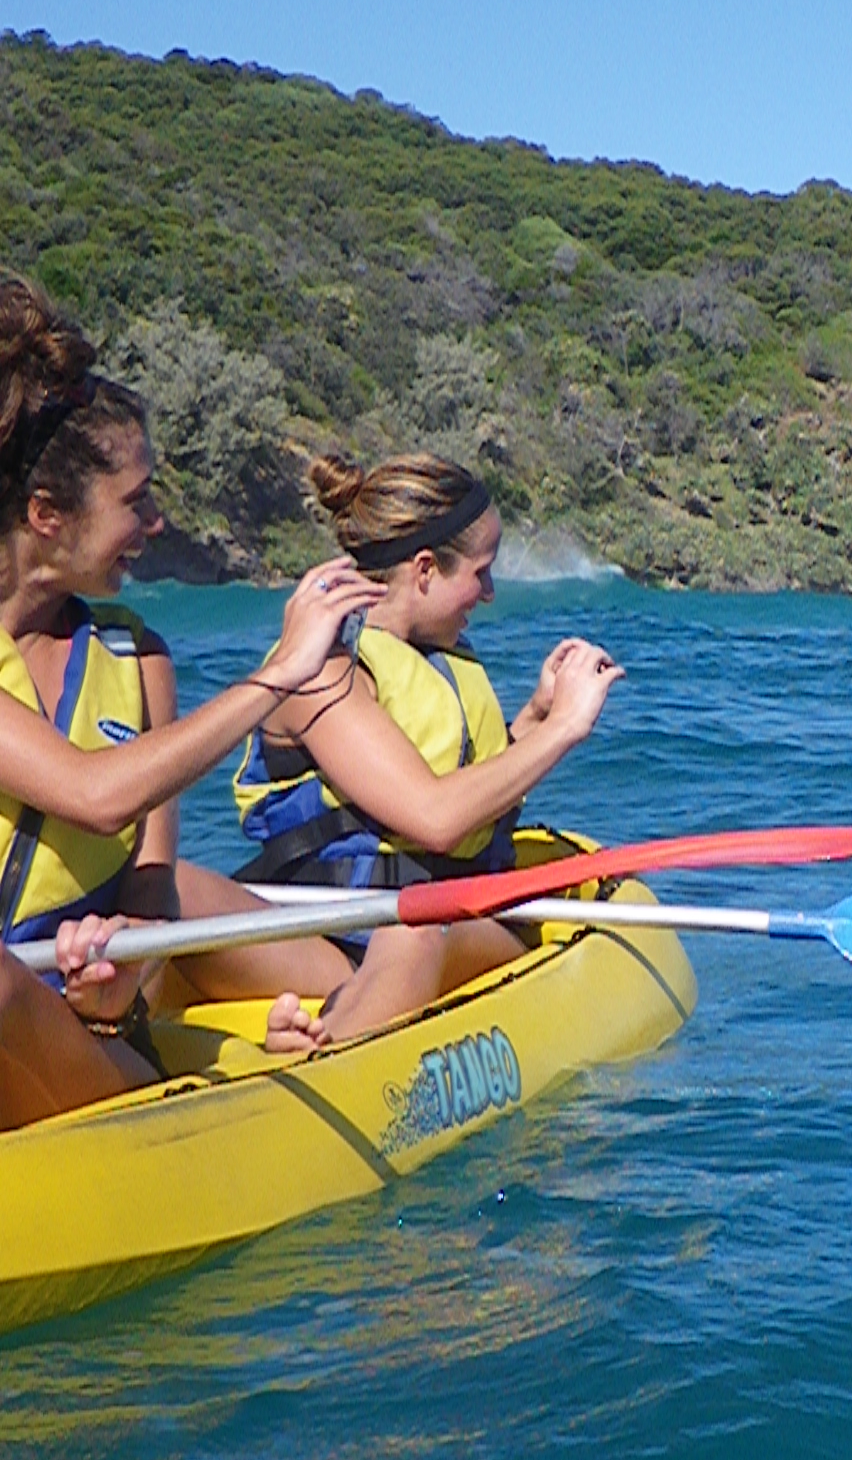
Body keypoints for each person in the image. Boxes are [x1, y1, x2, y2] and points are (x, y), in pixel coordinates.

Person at [1, 273, 381, 1127]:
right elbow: (96, 795)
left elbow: (150, 889)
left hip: (92, 1047)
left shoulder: (139, 660)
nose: (157, 523)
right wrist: (276, 676)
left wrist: (117, 984)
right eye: (135, 501)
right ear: (46, 514)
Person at [236, 451, 621, 1050]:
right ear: (423, 570)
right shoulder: (323, 670)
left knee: (413, 928)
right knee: (168, 888)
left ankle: (325, 1046)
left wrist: (534, 720)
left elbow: (460, 803)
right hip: (327, 930)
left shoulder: (436, 656)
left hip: (439, 927)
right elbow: (435, 818)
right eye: (481, 572)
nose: (489, 593)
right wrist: (564, 728)